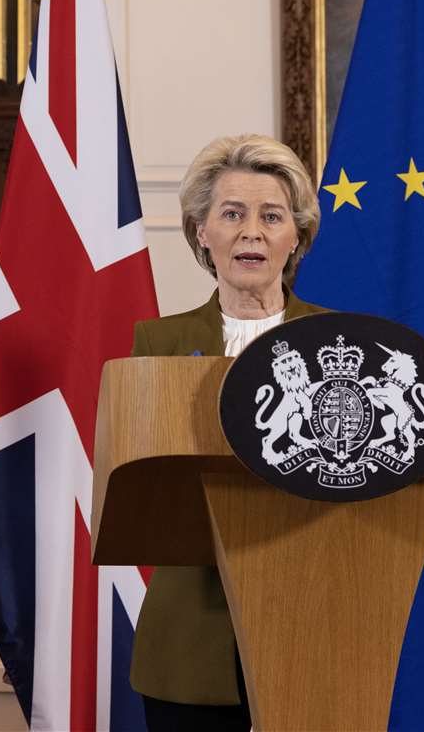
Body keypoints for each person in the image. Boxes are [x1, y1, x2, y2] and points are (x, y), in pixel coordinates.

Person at [129, 133, 325, 731]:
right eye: (232, 214)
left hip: (313, 633)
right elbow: (140, 490)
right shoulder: (156, 345)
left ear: (296, 237)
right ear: (201, 232)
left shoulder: (345, 345)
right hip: (190, 636)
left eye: (272, 216)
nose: (252, 232)